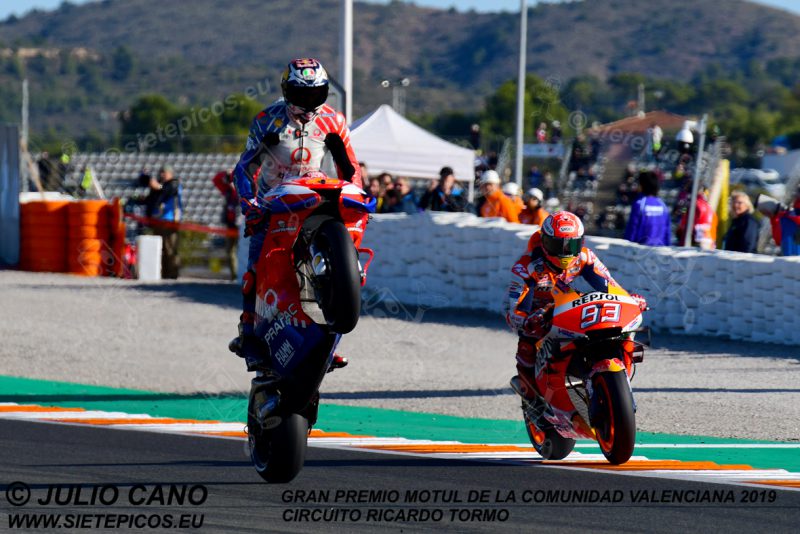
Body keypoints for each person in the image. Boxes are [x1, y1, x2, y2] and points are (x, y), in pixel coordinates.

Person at [229, 57, 361, 370]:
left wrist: (355, 195)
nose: (309, 102)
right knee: (257, 265)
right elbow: (244, 168)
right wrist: (251, 205)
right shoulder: (268, 120)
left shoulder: (333, 121)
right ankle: (248, 330)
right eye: (301, 95)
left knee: (346, 263)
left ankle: (328, 336)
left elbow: (350, 166)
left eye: (316, 94)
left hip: (314, 196)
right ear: (287, 92)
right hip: (273, 203)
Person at [504, 211, 648, 409]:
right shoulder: (526, 267)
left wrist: (628, 300)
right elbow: (514, 310)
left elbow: (609, 285)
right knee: (527, 343)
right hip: (538, 315)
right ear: (545, 242)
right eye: (557, 245)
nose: (564, 253)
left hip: (568, 306)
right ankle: (531, 395)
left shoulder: (585, 257)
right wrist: (526, 320)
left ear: (580, 242)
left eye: (570, 246)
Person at [624, 171, 671, 246]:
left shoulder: (639, 204)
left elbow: (632, 231)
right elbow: (667, 233)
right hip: (660, 251)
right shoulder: (663, 205)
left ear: (642, 185)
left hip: (640, 251)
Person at [154, 165, 183, 279]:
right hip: (162, 220)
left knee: (170, 248)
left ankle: (172, 274)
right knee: (163, 249)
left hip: (170, 221)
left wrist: (158, 186)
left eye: (164, 172)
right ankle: (165, 274)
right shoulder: (166, 185)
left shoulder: (174, 184)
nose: (162, 175)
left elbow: (170, 191)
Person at [213, 169, 239, 280]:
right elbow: (216, 179)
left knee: (242, 250)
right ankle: (234, 275)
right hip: (231, 225)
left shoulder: (243, 190)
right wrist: (226, 173)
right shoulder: (227, 191)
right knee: (230, 250)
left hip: (242, 225)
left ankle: (243, 274)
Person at [769, 185, 800, 256]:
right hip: (788, 258)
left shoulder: (786, 215)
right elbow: (778, 239)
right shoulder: (785, 215)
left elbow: (778, 240)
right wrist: (774, 218)